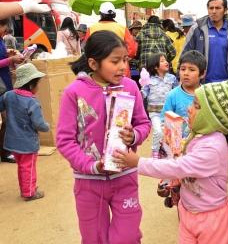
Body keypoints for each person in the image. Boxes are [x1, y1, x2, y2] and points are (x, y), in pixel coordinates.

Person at [114, 79, 228, 244]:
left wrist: (138, 163)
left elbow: (179, 166)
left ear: (213, 118)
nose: (189, 108)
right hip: (187, 211)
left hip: (212, 220)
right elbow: (183, 163)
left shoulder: (213, 148)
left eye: (196, 106)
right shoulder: (198, 135)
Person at [56, 31, 151, 243]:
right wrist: (90, 165)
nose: (122, 67)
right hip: (88, 183)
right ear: (93, 63)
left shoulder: (130, 87)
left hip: (125, 177)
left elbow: (144, 123)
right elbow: (65, 140)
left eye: (125, 60)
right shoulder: (74, 92)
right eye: (115, 61)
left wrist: (134, 135)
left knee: (127, 236)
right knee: (94, 238)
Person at [0, 63, 49, 200]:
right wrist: (47, 126)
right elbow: (39, 124)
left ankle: (26, 188)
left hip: (12, 142)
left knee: (22, 166)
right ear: (31, 85)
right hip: (27, 143)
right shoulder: (32, 101)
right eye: (37, 84)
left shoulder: (8, 95)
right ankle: (29, 193)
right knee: (29, 167)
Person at [182, 0, 228, 84]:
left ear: (225, 10)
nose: (214, 11)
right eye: (211, 8)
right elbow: (184, 55)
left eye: (218, 8)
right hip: (201, 84)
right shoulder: (197, 29)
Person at [161, 50, 207, 138]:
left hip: (200, 145)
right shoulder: (172, 95)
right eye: (183, 69)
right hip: (177, 146)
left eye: (192, 70)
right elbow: (164, 120)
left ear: (202, 73)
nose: (186, 73)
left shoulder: (206, 95)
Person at [141, 52, 177, 158]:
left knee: (170, 133)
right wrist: (137, 95)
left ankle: (168, 153)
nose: (166, 62)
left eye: (166, 60)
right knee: (158, 131)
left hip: (169, 112)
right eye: (162, 61)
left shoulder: (172, 78)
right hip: (154, 112)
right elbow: (143, 93)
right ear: (156, 66)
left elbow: (177, 91)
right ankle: (155, 153)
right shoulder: (148, 80)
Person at [0, 19, 25, 163]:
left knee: (7, 119)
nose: (6, 30)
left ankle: (4, 151)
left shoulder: (2, 40)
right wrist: (11, 60)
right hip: (1, 87)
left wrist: (9, 54)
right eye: (4, 27)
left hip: (5, 84)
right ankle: (4, 152)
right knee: (7, 118)